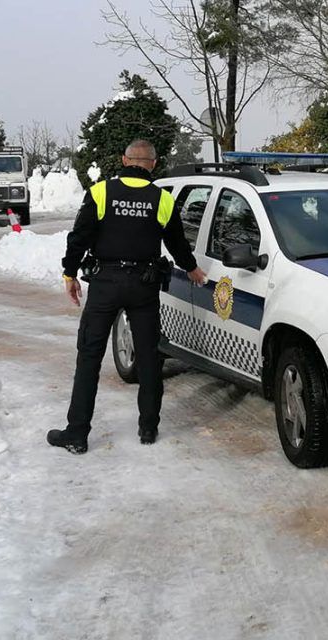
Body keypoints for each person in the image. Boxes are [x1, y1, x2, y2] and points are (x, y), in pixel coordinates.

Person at [47, 140, 207, 454]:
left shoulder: (100, 192)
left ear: (124, 160)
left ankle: (77, 434)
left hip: (106, 283)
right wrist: (192, 269)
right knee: (148, 357)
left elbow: (79, 237)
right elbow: (176, 242)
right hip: (144, 286)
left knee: (89, 356)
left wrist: (70, 274)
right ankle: (148, 428)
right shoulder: (162, 199)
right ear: (153, 164)